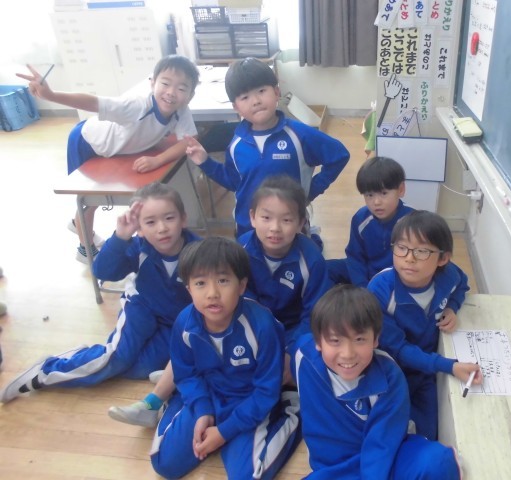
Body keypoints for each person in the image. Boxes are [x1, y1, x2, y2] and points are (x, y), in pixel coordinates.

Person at [108, 175, 330, 426]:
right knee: (200, 331)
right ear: (252, 217)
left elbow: (315, 315)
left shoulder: (311, 259)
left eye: (286, 220)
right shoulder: (241, 249)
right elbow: (234, 297)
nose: (275, 228)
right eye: (266, 218)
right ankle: (154, 400)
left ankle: (190, 379)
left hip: (289, 332)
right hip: (247, 323)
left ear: (301, 223)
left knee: (305, 363)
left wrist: (290, 349)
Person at [0, 183, 200, 403]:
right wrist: (120, 237)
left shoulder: (199, 252)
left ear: (183, 219)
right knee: (116, 358)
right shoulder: (138, 246)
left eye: (169, 218)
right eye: (150, 222)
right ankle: (46, 371)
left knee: (140, 369)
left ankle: (83, 357)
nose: (162, 228)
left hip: (173, 321)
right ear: (140, 229)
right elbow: (103, 271)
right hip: (141, 308)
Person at [16, 55, 199, 263]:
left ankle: (78, 224)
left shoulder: (181, 110)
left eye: (181, 88)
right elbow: (94, 103)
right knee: (88, 200)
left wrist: (158, 160)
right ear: (152, 83)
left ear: (190, 95)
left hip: (119, 151)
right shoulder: (137, 105)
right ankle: (85, 248)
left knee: (94, 200)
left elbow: (189, 141)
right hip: (88, 142)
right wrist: (51, 95)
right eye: (165, 83)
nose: (171, 92)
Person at [150, 237, 301, 479]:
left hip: (249, 401)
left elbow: (266, 391)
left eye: (223, 281)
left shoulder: (262, 326)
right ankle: (182, 407)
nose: (212, 293)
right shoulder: (184, 323)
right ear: (189, 289)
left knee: (249, 476)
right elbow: (186, 374)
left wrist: (224, 432)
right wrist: (202, 410)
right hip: (209, 394)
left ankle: (290, 413)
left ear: (241, 286)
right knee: (163, 463)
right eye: (200, 283)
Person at [292, 284, 462, 479]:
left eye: (359, 340)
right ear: (318, 342)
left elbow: (382, 445)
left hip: (387, 458)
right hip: (334, 469)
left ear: (375, 340)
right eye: (335, 341)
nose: (347, 354)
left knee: (437, 462)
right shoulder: (303, 356)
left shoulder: (389, 378)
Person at [185, 57, 350, 238]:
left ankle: (313, 240)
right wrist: (205, 162)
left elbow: (339, 155)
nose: (255, 101)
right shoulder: (236, 144)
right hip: (248, 228)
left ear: (277, 92)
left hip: (288, 228)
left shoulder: (298, 134)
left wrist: (310, 191)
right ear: (236, 107)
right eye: (245, 97)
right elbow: (235, 182)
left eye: (261, 91)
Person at [367, 210, 482, 440]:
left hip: (426, 368)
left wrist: (452, 307)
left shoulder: (448, 275)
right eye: (402, 248)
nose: (409, 258)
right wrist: (448, 366)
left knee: (431, 431)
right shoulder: (380, 290)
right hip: (390, 368)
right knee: (388, 430)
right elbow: (398, 349)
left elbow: (462, 285)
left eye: (421, 251)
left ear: (443, 258)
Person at [327, 156, 414, 287]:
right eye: (369, 195)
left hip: (395, 278)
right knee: (324, 268)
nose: (376, 202)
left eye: (384, 193)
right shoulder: (361, 218)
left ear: (401, 190)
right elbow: (355, 257)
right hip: (367, 272)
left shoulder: (413, 222)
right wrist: (362, 287)